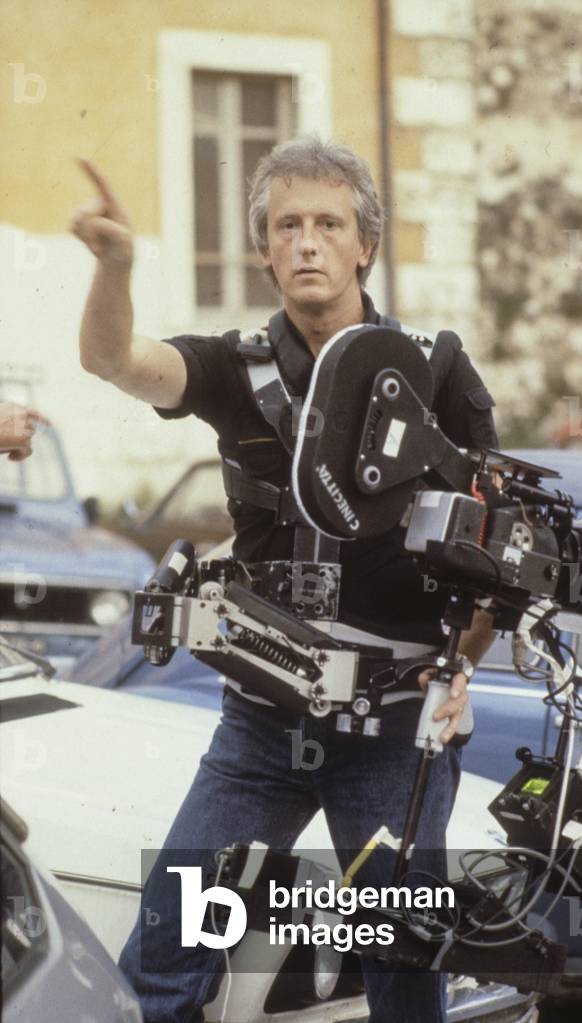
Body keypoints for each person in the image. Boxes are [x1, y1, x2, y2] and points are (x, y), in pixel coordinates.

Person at [71, 137, 499, 1023]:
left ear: (364, 244)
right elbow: (114, 360)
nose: (307, 242)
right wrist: (115, 266)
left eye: (329, 225)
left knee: (402, 981)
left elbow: (496, 545)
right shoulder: (231, 368)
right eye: (287, 226)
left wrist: (464, 661)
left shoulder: (434, 366)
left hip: (393, 732)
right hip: (260, 727)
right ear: (264, 251)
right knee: (162, 959)